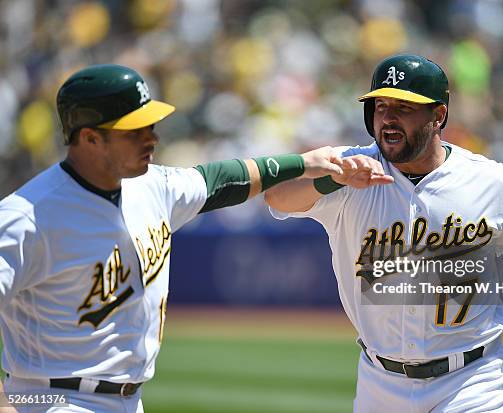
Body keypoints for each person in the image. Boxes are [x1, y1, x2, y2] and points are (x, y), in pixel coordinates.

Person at [0, 63, 393, 413]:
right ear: (89, 138)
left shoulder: (153, 186)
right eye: (134, 130)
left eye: (151, 124)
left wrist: (305, 164)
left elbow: (220, 181)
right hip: (51, 399)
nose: (151, 136)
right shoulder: (26, 217)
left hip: (127, 398)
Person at [265, 54, 503, 412]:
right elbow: (277, 196)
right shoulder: (349, 171)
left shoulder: (494, 183)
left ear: (438, 115)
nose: (389, 118)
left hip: (471, 380)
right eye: (381, 106)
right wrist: (329, 176)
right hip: (379, 382)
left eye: (404, 106)